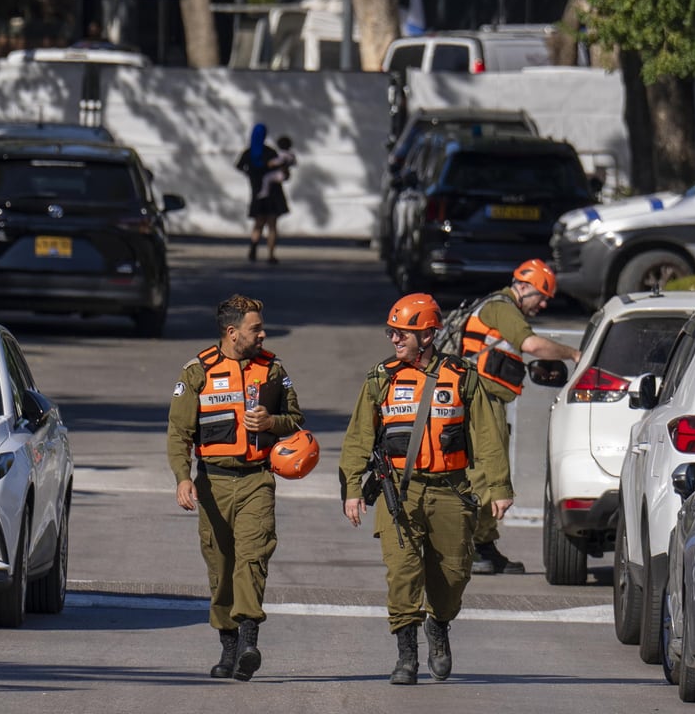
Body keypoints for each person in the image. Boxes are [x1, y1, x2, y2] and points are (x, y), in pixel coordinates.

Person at [339, 293, 513, 685]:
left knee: (452, 577)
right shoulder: (380, 379)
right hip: (398, 493)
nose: (395, 340)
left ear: (430, 335)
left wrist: (499, 486)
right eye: (392, 332)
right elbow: (357, 438)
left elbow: (487, 434)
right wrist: (352, 487)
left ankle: (440, 625)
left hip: (451, 491)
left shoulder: (462, 376)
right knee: (402, 573)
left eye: (404, 333)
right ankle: (406, 657)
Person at [167, 294, 305, 681]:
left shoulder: (273, 369)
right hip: (212, 483)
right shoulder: (198, 372)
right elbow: (179, 432)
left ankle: (248, 639)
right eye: (255, 328)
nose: (263, 334)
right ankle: (228, 647)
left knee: (252, 558)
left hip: (256, 480)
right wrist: (182, 478)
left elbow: (295, 418)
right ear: (232, 332)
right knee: (221, 567)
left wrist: (272, 423)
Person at [460, 258, 581, 575]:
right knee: (485, 474)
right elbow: (532, 344)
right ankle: (469, 546)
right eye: (541, 295)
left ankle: (483, 544)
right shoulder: (502, 307)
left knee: (490, 471)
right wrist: (573, 354)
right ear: (523, 286)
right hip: (480, 402)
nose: (542, 304)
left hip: (486, 400)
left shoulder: (499, 309)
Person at [235, 124, 290, 264]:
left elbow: (238, 165)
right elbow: (282, 169)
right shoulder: (270, 152)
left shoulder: (248, 153)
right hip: (273, 193)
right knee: (272, 225)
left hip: (257, 192)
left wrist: (250, 173)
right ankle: (271, 254)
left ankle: (253, 247)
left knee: (258, 223)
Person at [258, 135, 296, 200]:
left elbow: (279, 161)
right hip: (287, 174)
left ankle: (265, 192)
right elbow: (294, 163)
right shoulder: (291, 154)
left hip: (281, 174)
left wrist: (271, 162)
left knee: (266, 178)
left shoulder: (283, 153)